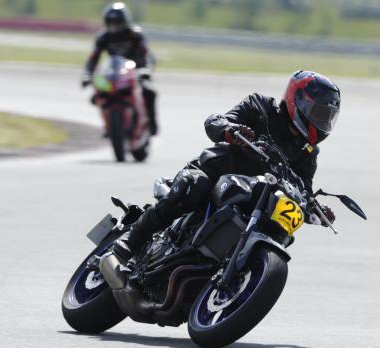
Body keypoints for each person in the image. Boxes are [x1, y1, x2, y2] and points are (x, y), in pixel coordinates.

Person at [114, 70, 340, 260]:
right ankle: (131, 241)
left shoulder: (307, 152)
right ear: (296, 99)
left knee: (280, 228)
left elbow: (303, 188)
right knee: (194, 186)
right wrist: (229, 130)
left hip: (255, 197)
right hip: (218, 172)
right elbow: (216, 120)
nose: (321, 122)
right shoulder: (260, 107)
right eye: (318, 113)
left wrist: (315, 209)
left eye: (327, 117)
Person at [81, 2, 158, 135]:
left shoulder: (135, 35)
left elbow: (147, 54)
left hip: (136, 72)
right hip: (114, 73)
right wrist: (87, 74)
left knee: (149, 91)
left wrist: (147, 70)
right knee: (97, 96)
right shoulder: (103, 37)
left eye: (117, 23)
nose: (114, 27)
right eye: (111, 23)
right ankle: (108, 124)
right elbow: (93, 58)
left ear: (125, 21)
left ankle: (151, 123)